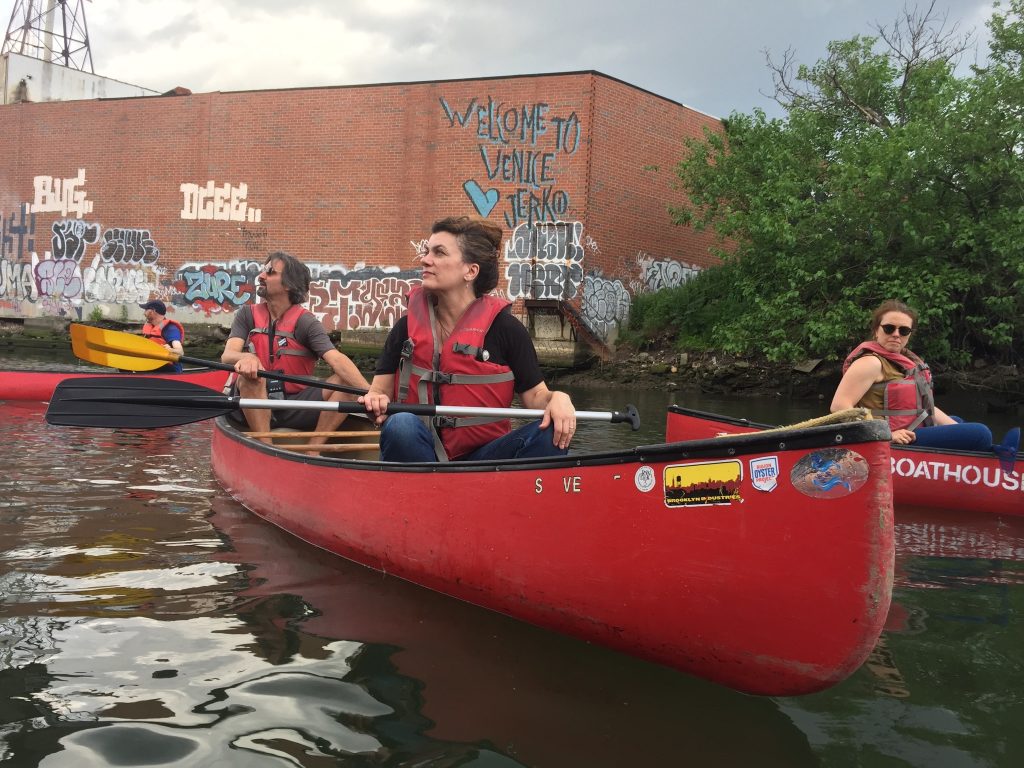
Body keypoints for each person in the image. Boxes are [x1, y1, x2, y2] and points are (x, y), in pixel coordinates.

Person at [359, 215, 577, 462]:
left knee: (550, 433)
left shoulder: (507, 329)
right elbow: (379, 392)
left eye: (439, 253)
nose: (425, 260)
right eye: (426, 251)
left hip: (484, 461)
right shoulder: (404, 329)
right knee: (400, 425)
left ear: (470, 271)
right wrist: (375, 401)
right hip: (418, 455)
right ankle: (429, 491)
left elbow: (537, 398)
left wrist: (559, 398)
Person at [831, 299, 1019, 461]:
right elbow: (839, 406)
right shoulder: (871, 362)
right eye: (889, 328)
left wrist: (959, 428)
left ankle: (995, 454)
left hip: (910, 431)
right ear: (876, 331)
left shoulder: (903, 363)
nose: (896, 334)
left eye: (904, 330)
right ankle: (998, 460)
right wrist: (886, 434)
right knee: (980, 433)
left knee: (959, 423)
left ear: (909, 335)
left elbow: (926, 407)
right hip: (889, 438)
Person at [221, 251, 370, 449]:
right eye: (263, 271)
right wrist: (247, 357)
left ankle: (313, 450)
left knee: (346, 382)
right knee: (248, 378)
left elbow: (336, 359)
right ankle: (266, 449)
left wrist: (371, 395)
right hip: (255, 404)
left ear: (288, 285)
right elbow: (227, 355)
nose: (261, 276)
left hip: (297, 405)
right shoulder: (246, 315)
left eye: (270, 272)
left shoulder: (306, 322)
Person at [139, 299, 184, 373]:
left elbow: (180, 352)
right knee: (125, 364)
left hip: (170, 371)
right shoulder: (151, 327)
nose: (144, 313)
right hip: (152, 365)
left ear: (152, 311)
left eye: (146, 310)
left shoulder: (170, 329)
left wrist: (169, 350)